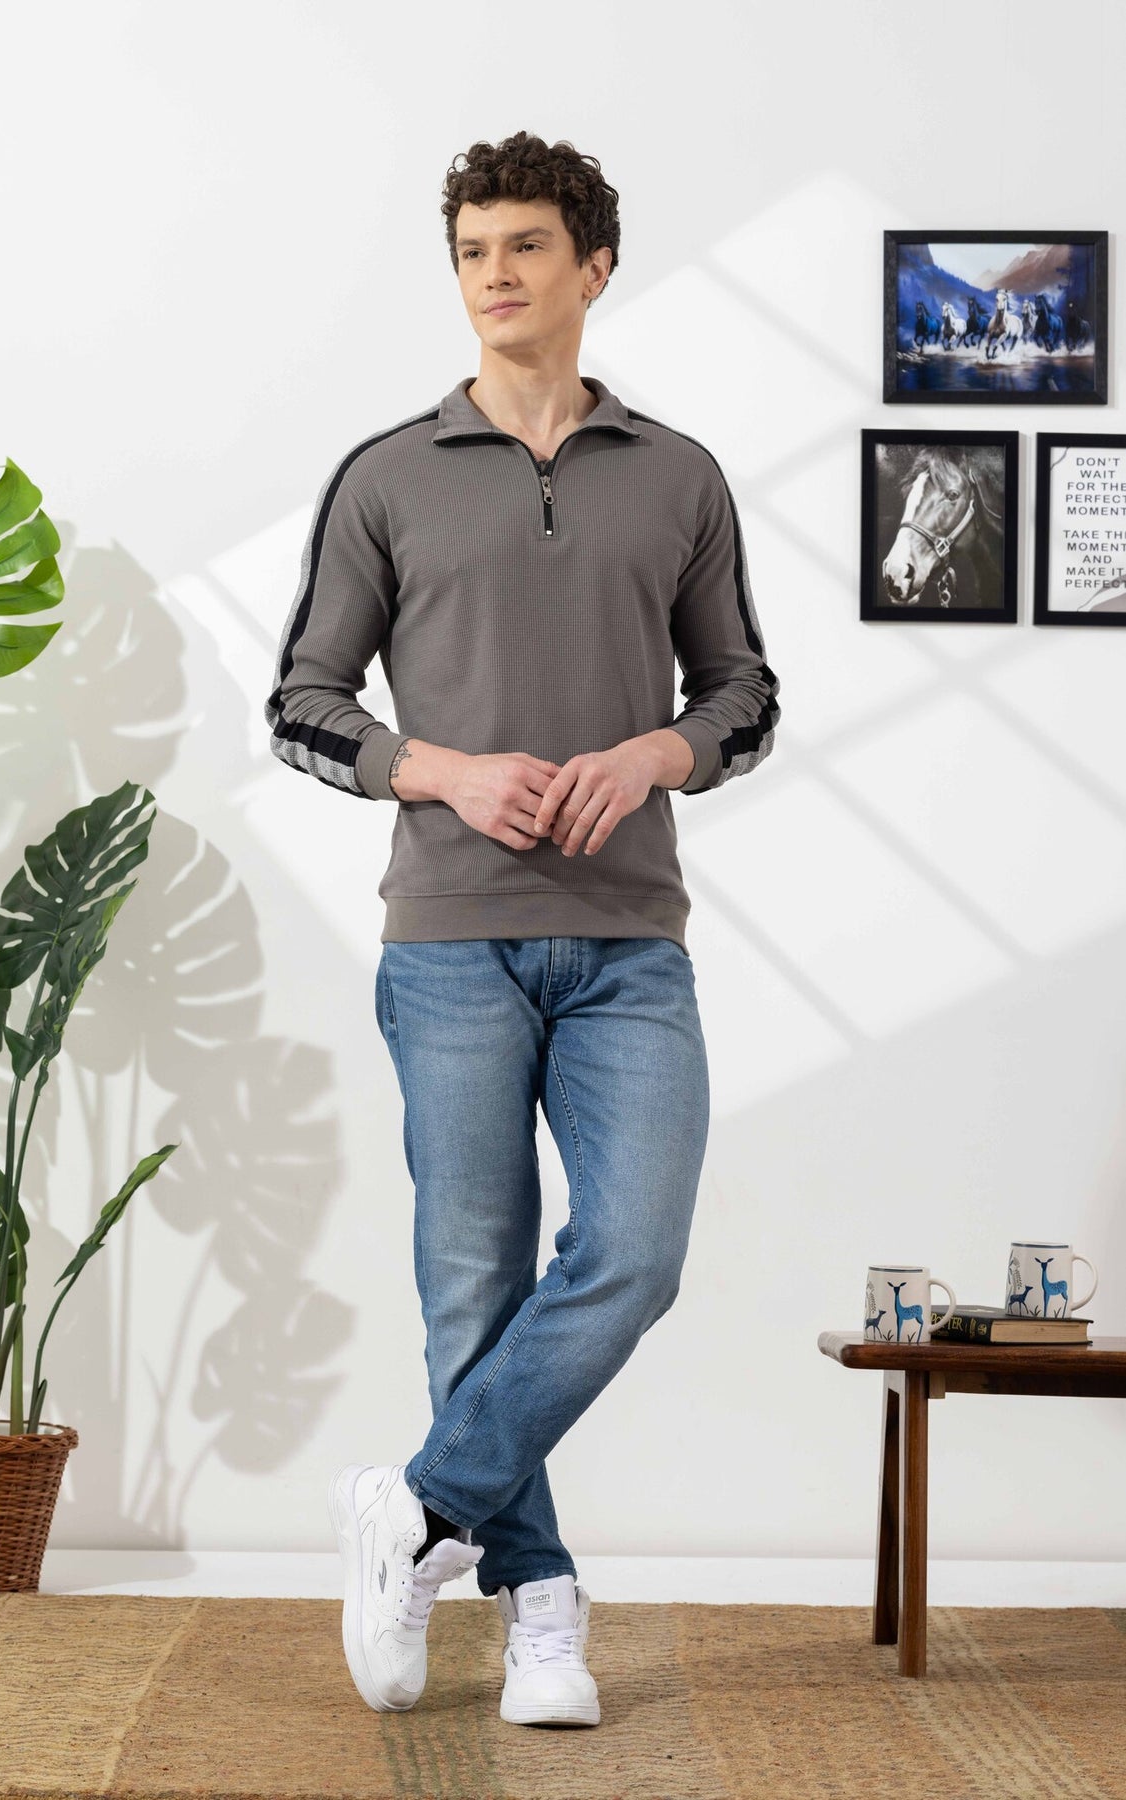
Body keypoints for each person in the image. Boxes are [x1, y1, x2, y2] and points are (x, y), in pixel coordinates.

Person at [266, 129, 781, 1727]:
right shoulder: (388, 476)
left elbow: (744, 693)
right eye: (472, 251)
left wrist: (655, 754)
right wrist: (442, 770)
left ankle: (418, 1508)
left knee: (633, 1253)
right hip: (449, 940)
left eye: (525, 247)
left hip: (630, 940)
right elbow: (301, 704)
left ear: (593, 266)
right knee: (473, 1278)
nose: (493, 275)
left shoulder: (677, 476)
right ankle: (540, 1602)